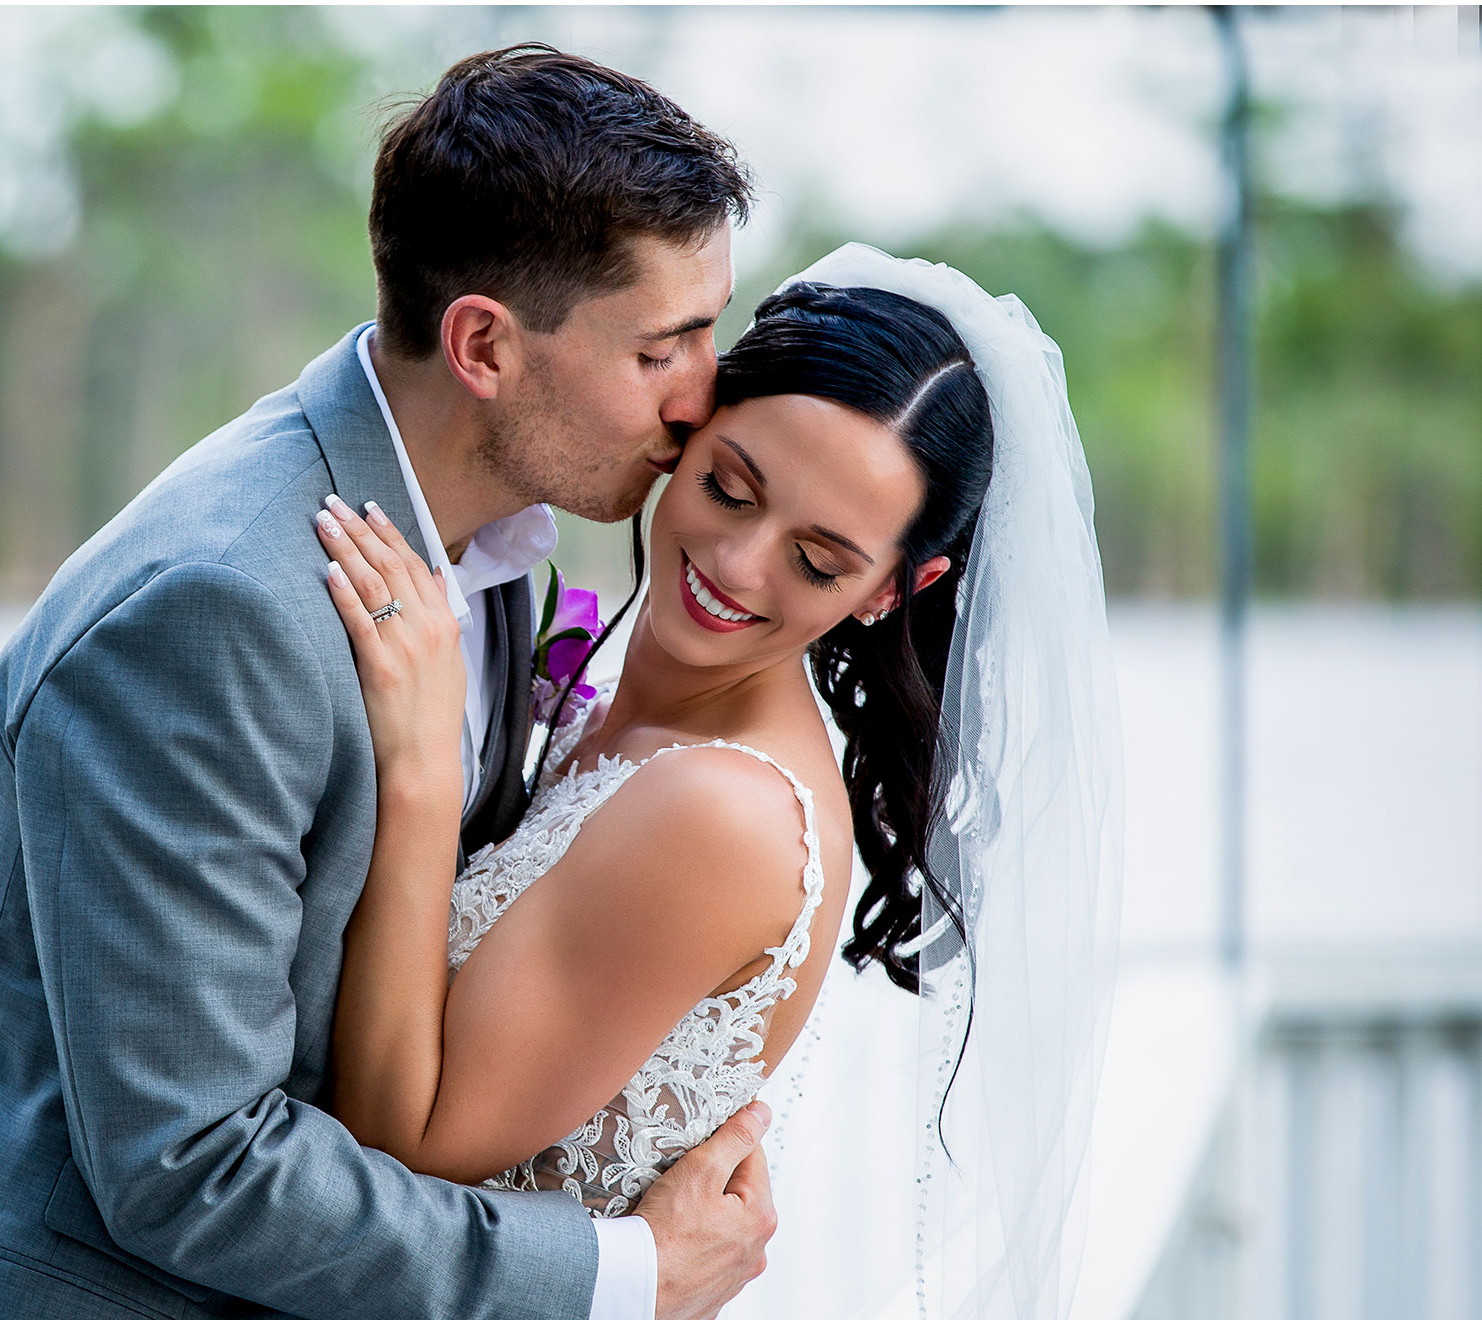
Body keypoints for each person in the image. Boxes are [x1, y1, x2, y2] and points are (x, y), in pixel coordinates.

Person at [0, 45, 776, 1320]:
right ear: (485, 347)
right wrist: (624, 1277)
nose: (701, 398)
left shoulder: (495, 539)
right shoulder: (214, 608)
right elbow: (192, 1162)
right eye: (664, 349)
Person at [312, 244, 1121, 1320]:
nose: (739, 567)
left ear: (897, 589)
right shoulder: (615, 703)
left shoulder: (722, 814)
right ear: (687, 425)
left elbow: (401, 1146)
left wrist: (415, 772)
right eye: (730, 489)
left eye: (820, 562)